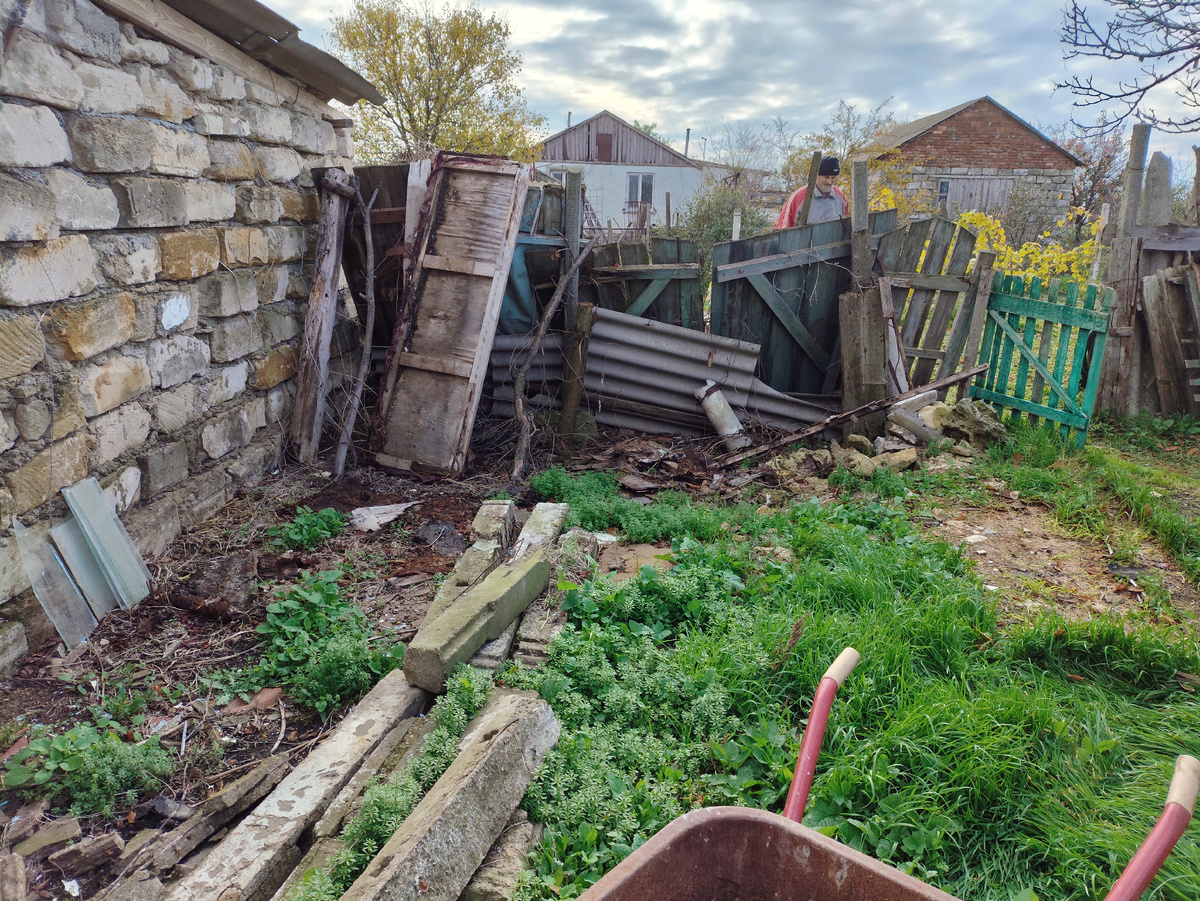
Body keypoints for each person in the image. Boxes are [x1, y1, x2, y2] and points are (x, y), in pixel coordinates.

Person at [774, 156, 848, 228]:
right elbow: (785, 227)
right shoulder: (800, 195)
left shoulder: (840, 196)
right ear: (817, 175)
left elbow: (845, 224)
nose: (829, 182)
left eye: (833, 178)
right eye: (826, 177)